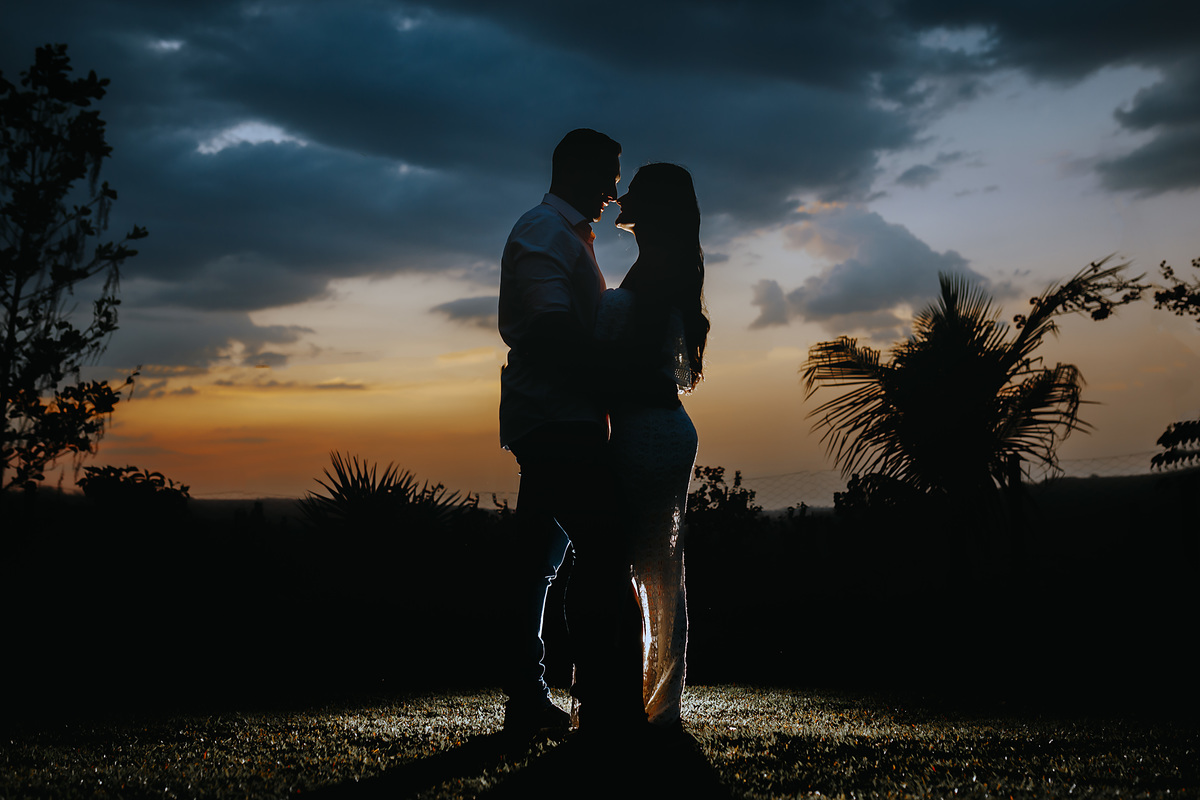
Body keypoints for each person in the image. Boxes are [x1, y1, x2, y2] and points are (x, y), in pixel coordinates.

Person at [497, 128, 645, 738]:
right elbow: (549, 329)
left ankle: (527, 699)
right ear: (578, 170)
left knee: (537, 562)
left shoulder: (568, 236)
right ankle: (600, 698)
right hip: (557, 421)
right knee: (603, 550)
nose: (615, 188)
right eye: (610, 173)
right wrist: (613, 377)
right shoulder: (542, 232)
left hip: (564, 418)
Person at [597, 162, 708, 727]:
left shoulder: (657, 271)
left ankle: (645, 700)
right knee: (658, 569)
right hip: (660, 426)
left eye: (634, 188)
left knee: (636, 566)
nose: (623, 196)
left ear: (654, 205)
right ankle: (653, 698)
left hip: (646, 429)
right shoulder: (663, 267)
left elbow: (636, 368)